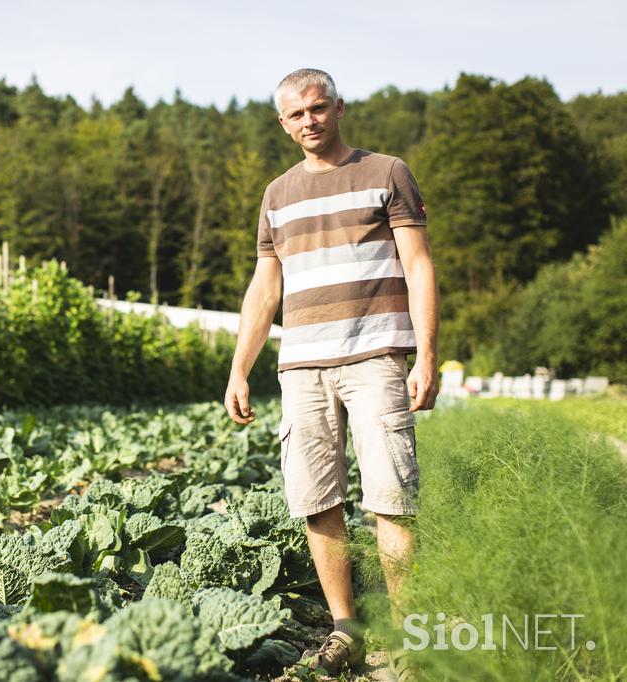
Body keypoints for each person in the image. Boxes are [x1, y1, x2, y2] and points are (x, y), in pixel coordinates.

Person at [223, 68, 439, 678]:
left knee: (391, 496)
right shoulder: (276, 194)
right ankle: (346, 628)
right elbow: (265, 288)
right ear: (283, 123)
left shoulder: (387, 172)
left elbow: (418, 265)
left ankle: (405, 629)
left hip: (375, 356)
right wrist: (241, 368)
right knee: (317, 497)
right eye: (295, 115)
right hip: (302, 367)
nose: (308, 121)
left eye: (317, 109)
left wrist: (425, 355)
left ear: (339, 108)